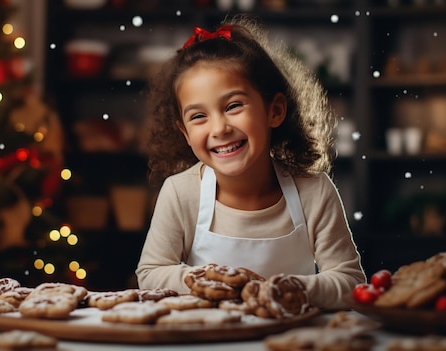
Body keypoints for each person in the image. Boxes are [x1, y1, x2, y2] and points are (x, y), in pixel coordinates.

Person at [135, 15, 366, 310]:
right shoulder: (181, 193)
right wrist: (221, 285)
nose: (219, 128)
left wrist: (282, 289)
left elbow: (350, 282)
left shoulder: (314, 191)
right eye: (198, 116)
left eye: (233, 106)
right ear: (185, 133)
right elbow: (151, 273)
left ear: (275, 111)